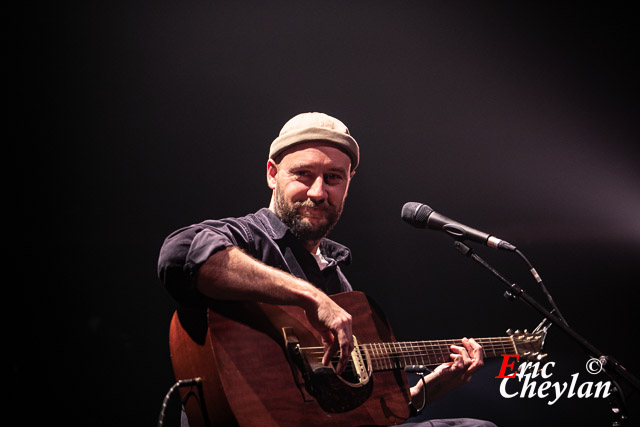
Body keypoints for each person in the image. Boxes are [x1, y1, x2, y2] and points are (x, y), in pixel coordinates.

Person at [158, 112, 496, 427]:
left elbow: (356, 414)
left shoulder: (339, 281)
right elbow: (179, 255)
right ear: (272, 174)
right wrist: (312, 299)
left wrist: (432, 387)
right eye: (303, 174)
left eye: (333, 177)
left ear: (348, 183)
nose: (318, 192)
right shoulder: (246, 237)